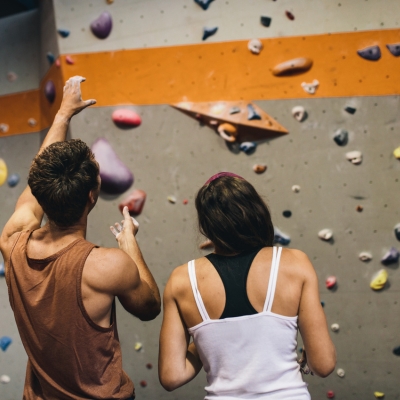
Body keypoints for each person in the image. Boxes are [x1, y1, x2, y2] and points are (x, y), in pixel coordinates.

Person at [0, 76, 161, 400]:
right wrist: (130, 245)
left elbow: (37, 182)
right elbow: (150, 307)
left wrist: (62, 114)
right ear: (92, 195)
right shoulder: (107, 265)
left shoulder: (12, 241)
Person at [159, 172, 336, 399]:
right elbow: (323, 364)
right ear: (257, 212)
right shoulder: (294, 264)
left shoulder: (182, 279)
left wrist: (205, 339)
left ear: (206, 226)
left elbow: (172, 376)